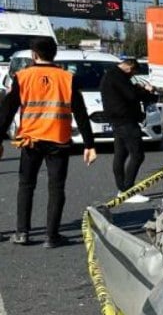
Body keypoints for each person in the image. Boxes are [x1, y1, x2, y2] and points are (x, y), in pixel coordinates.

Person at [0, 37, 97, 247]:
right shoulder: (67, 78)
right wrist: (89, 144)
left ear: (34, 55)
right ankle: (51, 236)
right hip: (58, 141)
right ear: (54, 54)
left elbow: (7, 110)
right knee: (56, 188)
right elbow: (80, 113)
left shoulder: (22, 77)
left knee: (26, 186)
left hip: (31, 140)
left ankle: (22, 232)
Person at [100, 56, 158, 203]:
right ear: (130, 67)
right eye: (133, 73)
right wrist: (146, 91)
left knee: (121, 153)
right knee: (137, 155)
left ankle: (122, 190)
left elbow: (129, 92)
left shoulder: (111, 74)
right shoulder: (118, 77)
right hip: (125, 120)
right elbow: (131, 95)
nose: (132, 76)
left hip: (118, 120)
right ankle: (128, 190)